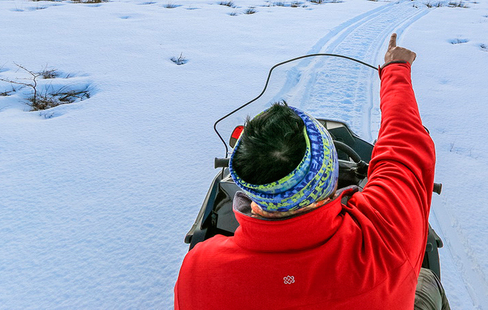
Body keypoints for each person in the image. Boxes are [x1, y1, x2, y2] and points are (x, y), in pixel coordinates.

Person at [175, 34, 449, 309]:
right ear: (327, 174)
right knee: (426, 281)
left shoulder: (198, 270)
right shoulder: (385, 233)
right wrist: (396, 69)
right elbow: (404, 140)